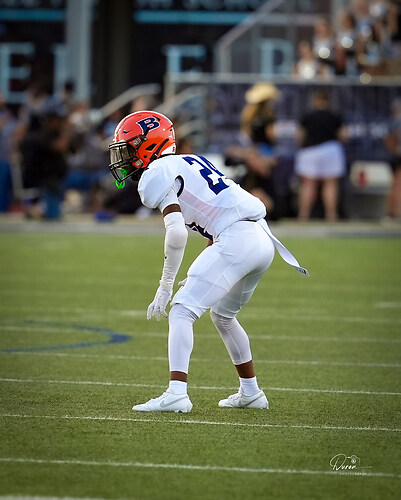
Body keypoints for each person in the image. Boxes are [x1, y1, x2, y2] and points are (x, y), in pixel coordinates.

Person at [109, 111, 309, 413]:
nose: (125, 157)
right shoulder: (191, 161)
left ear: (148, 145)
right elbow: (219, 216)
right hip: (261, 239)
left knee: (181, 310)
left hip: (237, 239)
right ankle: (251, 393)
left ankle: (176, 393)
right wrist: (206, 262)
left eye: (130, 148)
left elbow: (177, 233)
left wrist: (165, 285)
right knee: (224, 316)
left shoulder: (158, 172)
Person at [294, 89, 347, 222]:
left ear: (315, 101)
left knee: (308, 184)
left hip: (310, 151)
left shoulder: (308, 116)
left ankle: (303, 216)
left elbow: (299, 136)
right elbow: (344, 135)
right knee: (330, 184)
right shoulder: (334, 115)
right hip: (330, 149)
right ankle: (331, 215)